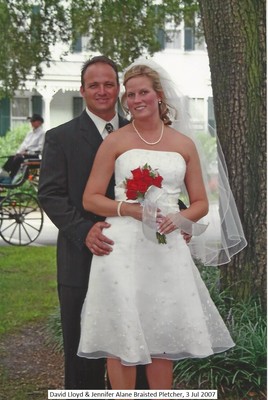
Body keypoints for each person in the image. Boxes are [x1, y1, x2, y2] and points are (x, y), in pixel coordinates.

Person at [77, 59, 247, 389]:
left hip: (165, 248)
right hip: (121, 248)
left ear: (159, 96)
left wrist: (179, 219)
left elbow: (199, 202)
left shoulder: (183, 145)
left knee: (162, 334)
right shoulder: (116, 141)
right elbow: (90, 199)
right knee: (120, 334)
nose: (136, 100)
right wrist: (129, 209)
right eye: (130, 95)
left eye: (143, 92)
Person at [37, 56, 150, 390]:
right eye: (94, 85)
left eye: (109, 84)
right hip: (82, 259)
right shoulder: (61, 137)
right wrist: (83, 230)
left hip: (137, 259)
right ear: (83, 90)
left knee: (137, 345)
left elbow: (160, 184)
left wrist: (176, 218)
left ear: (118, 89)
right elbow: (51, 194)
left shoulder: (142, 133)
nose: (102, 91)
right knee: (82, 350)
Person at [0, 114, 45, 183]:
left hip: (32, 156)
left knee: (18, 158)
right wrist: (18, 152)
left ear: (39, 122)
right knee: (12, 157)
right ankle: (4, 175)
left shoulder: (42, 133)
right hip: (23, 154)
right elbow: (23, 145)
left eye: (33, 121)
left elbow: (40, 148)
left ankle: (11, 178)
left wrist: (28, 152)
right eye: (31, 121)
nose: (31, 123)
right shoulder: (30, 133)